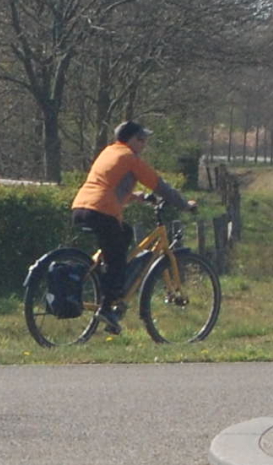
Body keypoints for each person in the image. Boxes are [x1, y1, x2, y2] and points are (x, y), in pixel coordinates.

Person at [71, 121, 189, 333]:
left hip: (81, 207)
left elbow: (109, 187)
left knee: (123, 235)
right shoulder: (130, 158)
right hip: (102, 211)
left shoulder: (109, 152)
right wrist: (184, 204)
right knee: (117, 257)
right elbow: (158, 184)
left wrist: (139, 197)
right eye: (141, 140)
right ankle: (107, 307)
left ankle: (103, 282)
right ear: (132, 140)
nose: (144, 144)